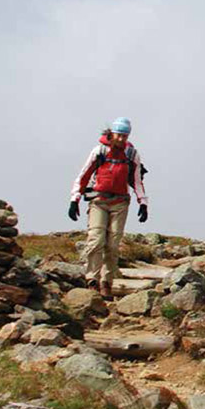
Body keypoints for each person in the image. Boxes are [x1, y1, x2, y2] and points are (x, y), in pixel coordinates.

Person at [69, 117, 149, 298]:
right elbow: (84, 175)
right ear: (111, 133)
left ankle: (107, 282)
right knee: (96, 240)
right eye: (118, 135)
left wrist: (143, 202)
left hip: (120, 203)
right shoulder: (100, 151)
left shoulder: (131, 154)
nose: (121, 139)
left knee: (112, 245)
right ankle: (91, 280)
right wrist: (75, 199)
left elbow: (136, 180)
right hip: (99, 200)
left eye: (124, 136)